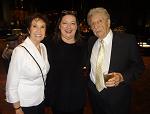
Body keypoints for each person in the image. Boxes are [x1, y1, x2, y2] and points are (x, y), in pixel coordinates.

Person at [86, 7, 145, 114]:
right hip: (94, 95)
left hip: (117, 99)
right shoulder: (91, 41)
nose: (96, 25)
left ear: (108, 22)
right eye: (92, 23)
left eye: (100, 21)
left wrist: (122, 77)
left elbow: (139, 66)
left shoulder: (127, 41)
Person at [6, 13, 50, 114]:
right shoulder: (19, 51)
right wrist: (17, 108)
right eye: (35, 26)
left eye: (42, 27)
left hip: (40, 99)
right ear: (29, 30)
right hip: (25, 104)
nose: (39, 30)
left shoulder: (43, 47)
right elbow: (11, 83)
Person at [45, 10, 87, 114]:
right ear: (59, 26)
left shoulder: (84, 46)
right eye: (65, 23)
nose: (69, 27)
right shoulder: (48, 44)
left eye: (73, 23)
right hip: (57, 99)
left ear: (77, 26)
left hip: (77, 99)